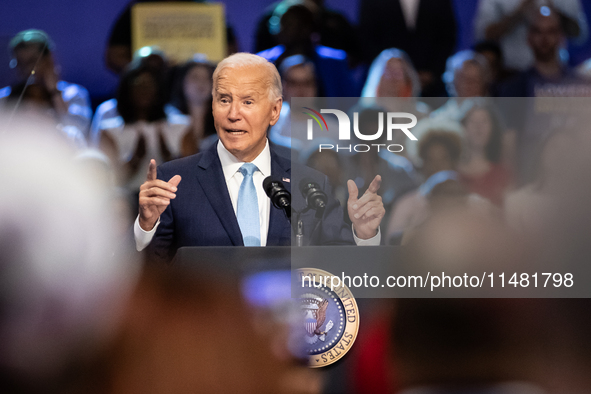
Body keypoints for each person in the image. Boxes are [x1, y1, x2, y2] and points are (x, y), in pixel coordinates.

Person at [134, 53, 385, 263]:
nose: (234, 114)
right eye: (224, 100)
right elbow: (150, 278)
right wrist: (146, 227)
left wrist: (364, 236)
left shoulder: (309, 184)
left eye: (248, 101)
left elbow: (336, 266)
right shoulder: (175, 181)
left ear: (274, 111)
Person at [0, 29, 92, 137]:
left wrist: (53, 90)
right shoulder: (4, 97)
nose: (27, 70)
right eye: (20, 63)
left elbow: (77, 131)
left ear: (48, 60)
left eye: (32, 62)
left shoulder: (74, 94)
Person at [257, 0, 357, 97]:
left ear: (309, 27)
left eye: (295, 24)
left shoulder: (334, 63)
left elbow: (349, 101)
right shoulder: (261, 63)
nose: (287, 30)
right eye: (284, 24)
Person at [358, 0, 457, 97]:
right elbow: (367, 37)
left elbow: (447, 37)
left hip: (431, 86)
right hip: (385, 82)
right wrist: (390, 73)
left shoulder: (440, 2)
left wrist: (432, 72)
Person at [498, 7, 589, 97]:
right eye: (538, 31)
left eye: (551, 31)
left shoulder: (580, 86)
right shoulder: (512, 89)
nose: (544, 38)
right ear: (529, 37)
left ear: (560, 37)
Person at [474, 0, 588, 71]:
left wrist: (555, 14)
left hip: (554, 74)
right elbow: (483, 35)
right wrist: (518, 14)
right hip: (510, 72)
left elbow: (580, 35)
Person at [458, 104, 513, 206]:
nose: (478, 127)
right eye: (472, 121)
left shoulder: (503, 173)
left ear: (493, 128)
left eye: (484, 121)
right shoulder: (452, 172)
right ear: (463, 127)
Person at [167, 57, 217, 157]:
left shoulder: (223, 121)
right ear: (182, 82)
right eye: (195, 77)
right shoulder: (169, 120)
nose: (201, 83)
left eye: (206, 78)